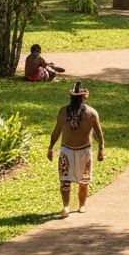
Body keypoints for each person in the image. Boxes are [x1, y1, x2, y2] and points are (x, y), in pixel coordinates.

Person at [47, 80, 105, 218]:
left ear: (83, 98)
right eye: (74, 97)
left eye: (77, 98)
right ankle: (66, 206)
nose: (75, 100)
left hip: (84, 151)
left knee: (84, 181)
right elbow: (57, 130)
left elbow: (98, 133)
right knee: (64, 181)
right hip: (66, 151)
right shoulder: (63, 112)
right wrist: (50, 148)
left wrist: (101, 149)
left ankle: (82, 204)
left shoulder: (91, 113)